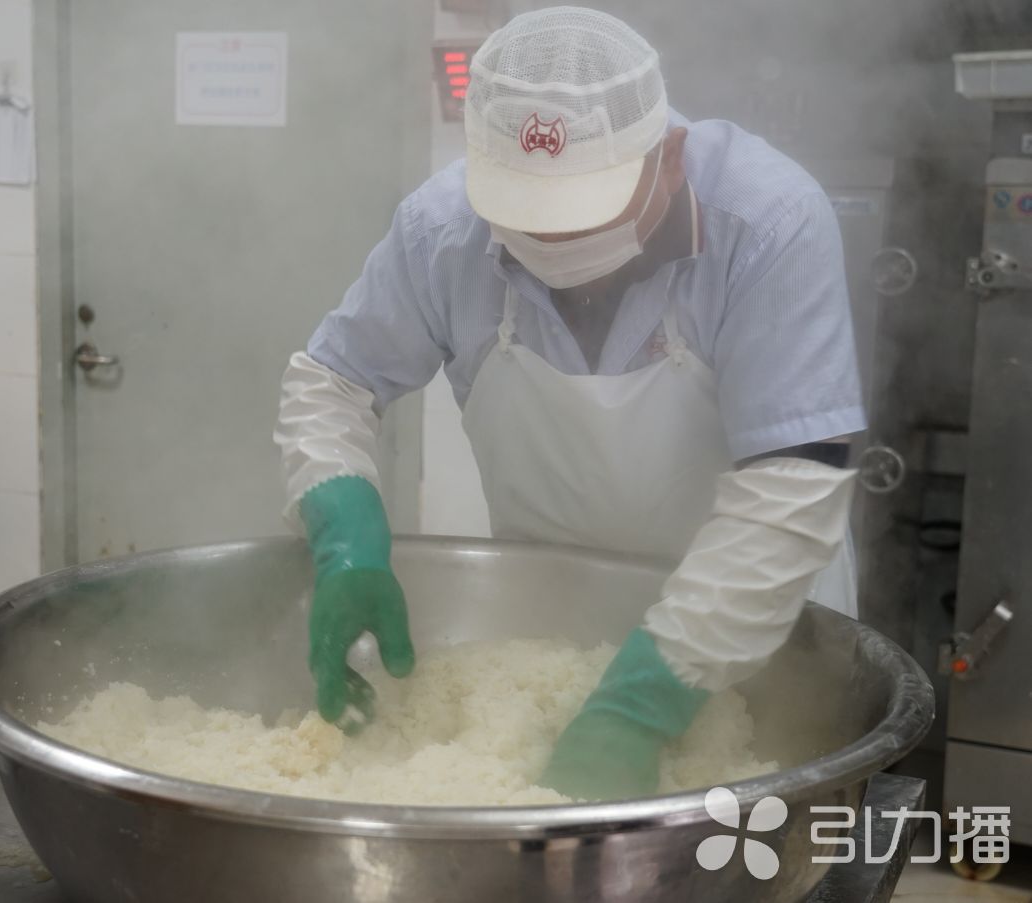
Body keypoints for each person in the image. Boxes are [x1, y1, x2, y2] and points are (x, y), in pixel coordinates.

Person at [275, 6, 861, 800]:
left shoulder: (767, 224)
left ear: (669, 158)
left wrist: (635, 709)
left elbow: (792, 485)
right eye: (528, 222)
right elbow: (333, 381)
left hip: (756, 641)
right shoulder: (442, 230)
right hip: (551, 633)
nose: (556, 256)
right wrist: (346, 535)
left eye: (585, 220)